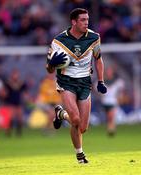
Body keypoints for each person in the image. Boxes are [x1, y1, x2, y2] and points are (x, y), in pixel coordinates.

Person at [46, 8, 107, 163]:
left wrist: (101, 81)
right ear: (73, 22)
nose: (86, 22)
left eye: (87, 19)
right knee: (75, 119)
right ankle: (80, 156)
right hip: (66, 82)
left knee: (83, 128)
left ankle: (61, 114)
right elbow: (49, 69)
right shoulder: (58, 41)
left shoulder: (94, 38)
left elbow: (98, 59)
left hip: (85, 83)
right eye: (83, 20)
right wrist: (52, 65)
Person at [101, 66, 125, 136]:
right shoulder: (103, 81)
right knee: (108, 117)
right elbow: (97, 90)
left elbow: (121, 91)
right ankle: (110, 128)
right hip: (105, 101)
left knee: (111, 116)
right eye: (108, 71)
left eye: (110, 71)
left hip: (113, 101)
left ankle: (111, 129)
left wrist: (120, 97)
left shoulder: (117, 81)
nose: (109, 73)